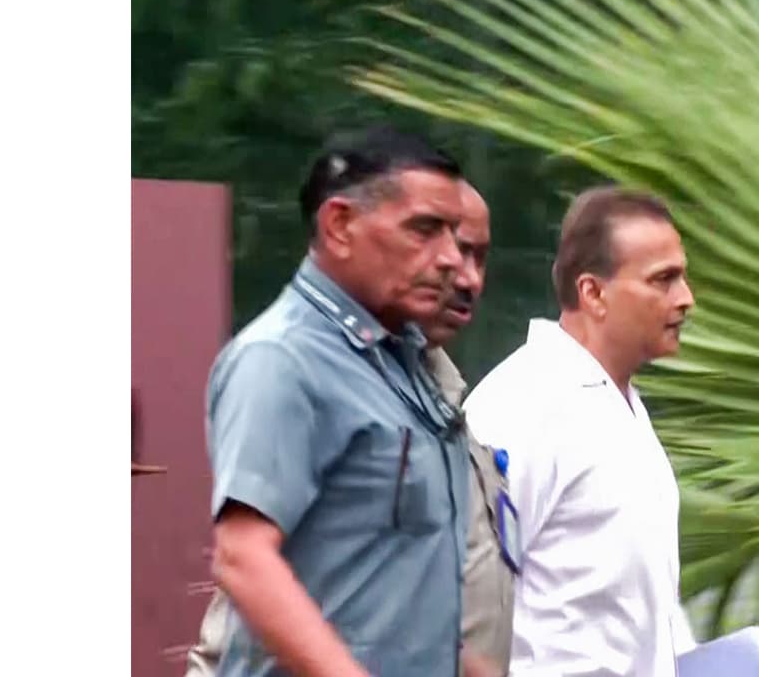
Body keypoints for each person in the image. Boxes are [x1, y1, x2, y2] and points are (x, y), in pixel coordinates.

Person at [185, 181, 514, 677]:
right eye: (443, 246)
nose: (464, 276)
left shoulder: (444, 406)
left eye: (477, 256)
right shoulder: (304, 374)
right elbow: (246, 569)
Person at [463, 186, 698, 677]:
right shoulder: (521, 403)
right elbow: (461, 592)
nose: (685, 299)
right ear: (593, 293)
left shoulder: (619, 402)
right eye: (663, 279)